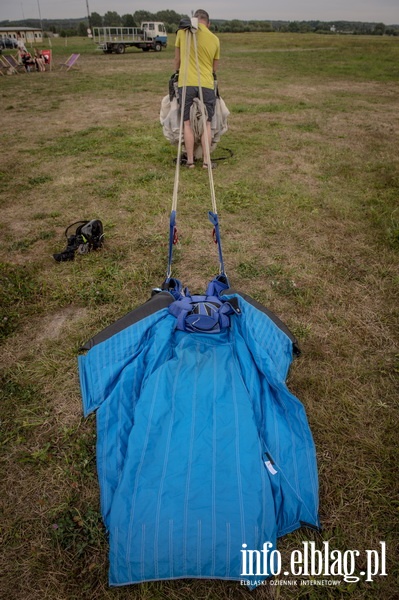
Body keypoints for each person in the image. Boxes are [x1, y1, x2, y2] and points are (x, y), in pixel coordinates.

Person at [174, 9, 220, 169]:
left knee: (187, 123)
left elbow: (177, 60)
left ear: (193, 20)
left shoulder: (183, 33)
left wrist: (176, 74)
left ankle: (191, 161)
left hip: (186, 82)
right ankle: (206, 161)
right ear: (208, 23)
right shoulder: (215, 39)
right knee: (207, 123)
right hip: (206, 85)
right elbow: (214, 68)